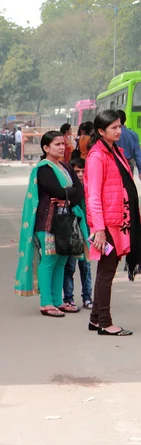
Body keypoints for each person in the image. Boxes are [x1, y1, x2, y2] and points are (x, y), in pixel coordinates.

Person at [15, 131, 86, 316]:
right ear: (46, 148)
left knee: (62, 260)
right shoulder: (43, 169)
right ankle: (46, 303)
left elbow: (79, 190)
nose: (62, 147)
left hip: (65, 222)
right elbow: (58, 191)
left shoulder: (66, 167)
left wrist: (69, 199)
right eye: (57, 144)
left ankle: (58, 301)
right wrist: (70, 194)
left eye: (63, 143)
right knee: (49, 260)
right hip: (47, 223)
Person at [85, 109, 141, 336]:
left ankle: (96, 318)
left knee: (107, 269)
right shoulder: (97, 156)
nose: (119, 131)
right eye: (114, 128)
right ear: (101, 131)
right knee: (107, 272)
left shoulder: (115, 151)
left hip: (120, 220)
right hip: (107, 223)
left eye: (120, 126)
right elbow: (93, 195)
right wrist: (99, 229)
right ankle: (105, 323)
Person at [63, 157, 93, 310]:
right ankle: (68, 297)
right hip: (71, 233)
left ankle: (87, 297)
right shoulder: (69, 189)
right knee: (69, 266)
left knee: (86, 266)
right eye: (77, 171)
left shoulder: (91, 189)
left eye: (83, 171)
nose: (81, 174)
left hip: (87, 233)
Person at [116, 109, 141, 178]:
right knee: (128, 187)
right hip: (128, 165)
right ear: (125, 119)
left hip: (114, 165)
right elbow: (138, 155)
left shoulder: (111, 134)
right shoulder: (133, 134)